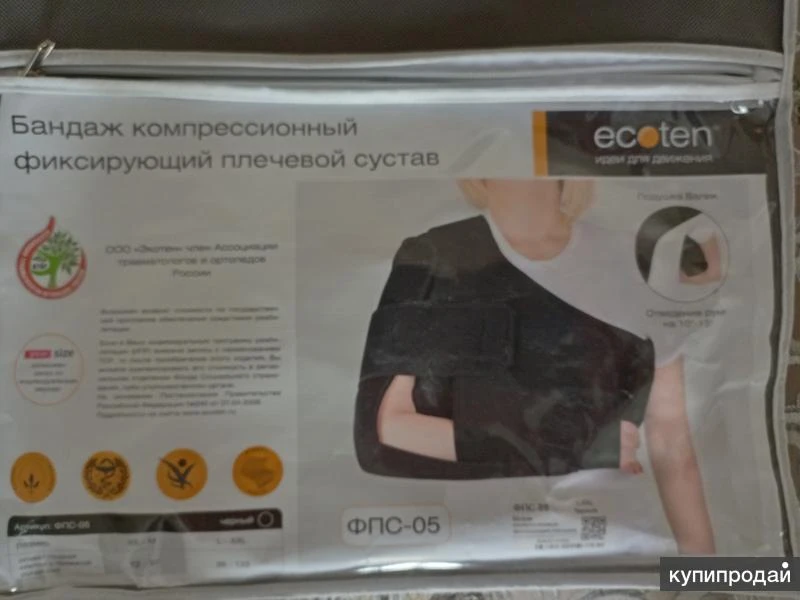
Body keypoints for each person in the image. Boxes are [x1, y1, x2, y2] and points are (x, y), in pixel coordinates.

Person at [354, 179, 715, 554]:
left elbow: (672, 443)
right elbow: (381, 433)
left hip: (607, 544)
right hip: (478, 548)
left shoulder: (633, 261)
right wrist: (579, 444)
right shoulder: (434, 255)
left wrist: (704, 571)